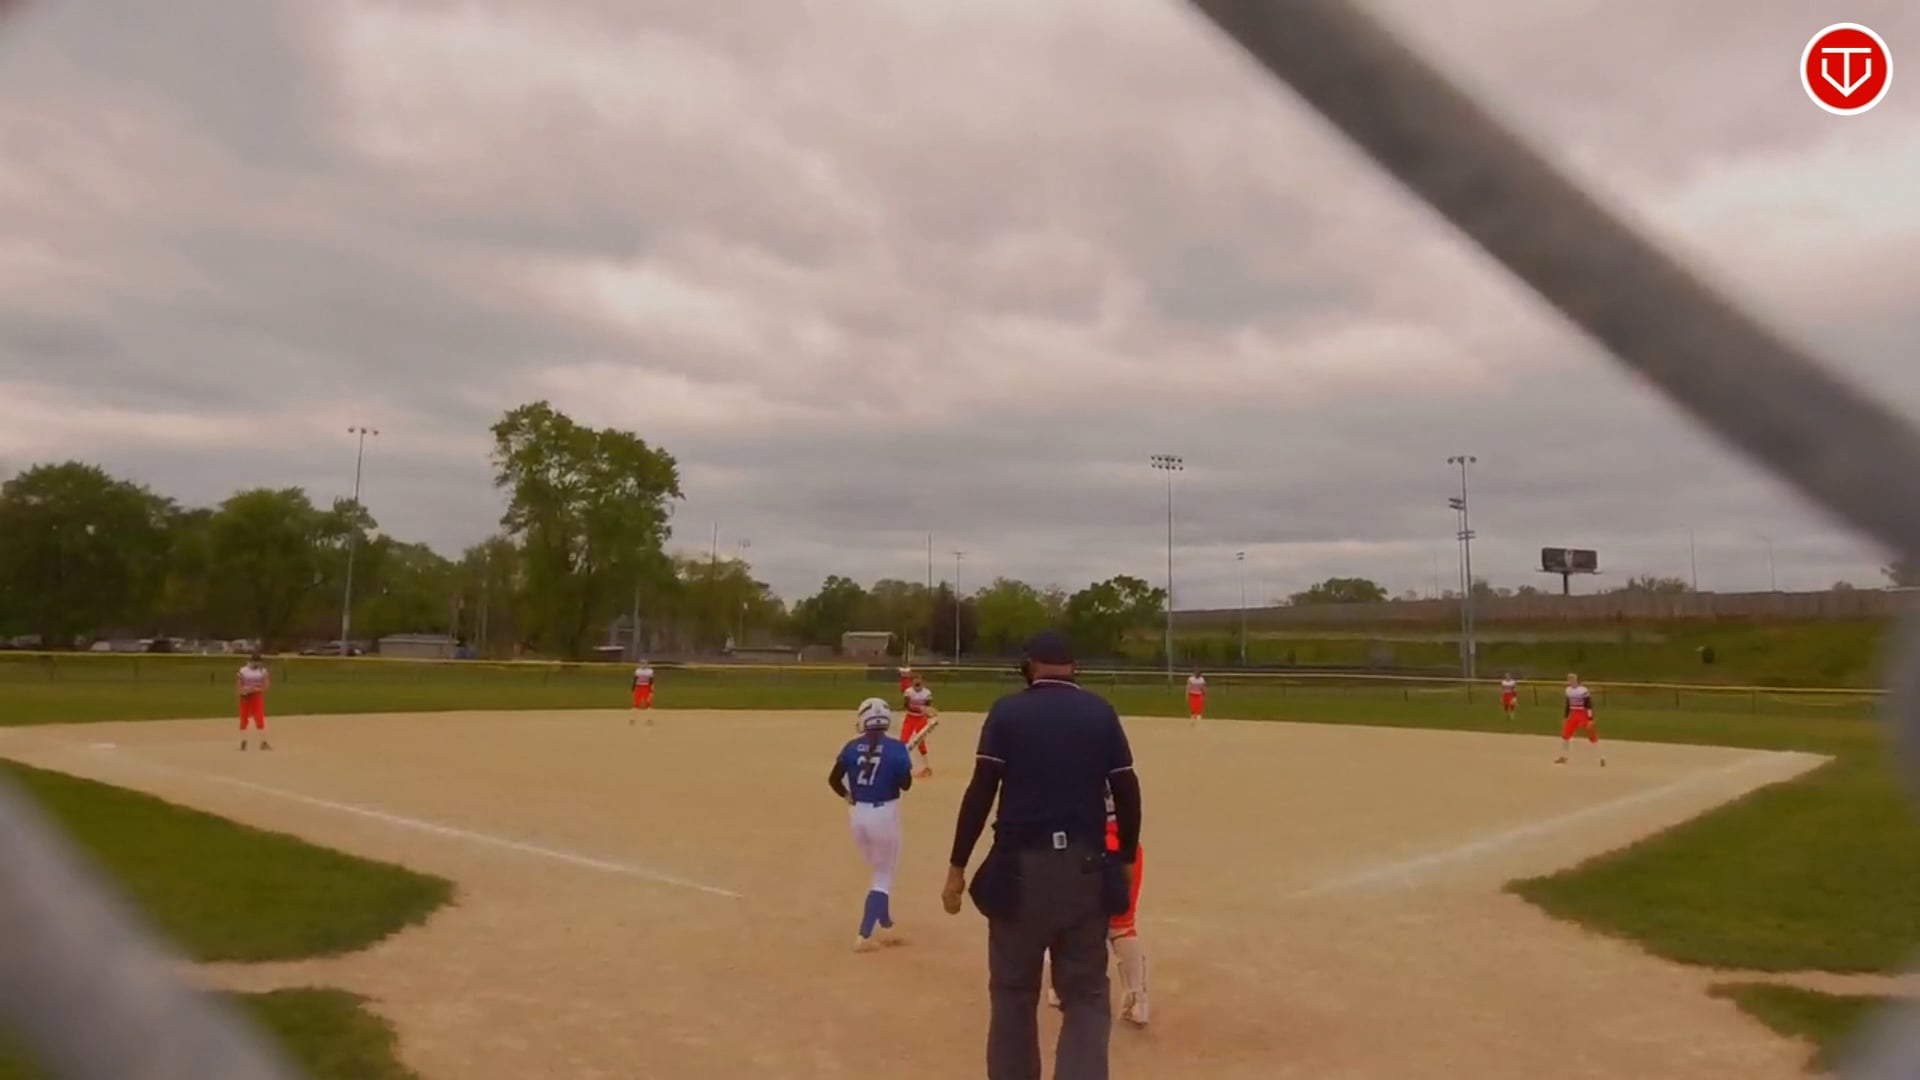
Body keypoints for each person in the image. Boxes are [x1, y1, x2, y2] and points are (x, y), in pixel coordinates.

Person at [943, 630, 1142, 1080]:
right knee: (1086, 996)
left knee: (1013, 994)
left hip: (1020, 874)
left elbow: (981, 792)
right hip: (1086, 870)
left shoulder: (1007, 712)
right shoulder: (1100, 712)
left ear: (1028, 666)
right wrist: (1126, 856)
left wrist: (957, 866)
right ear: (1074, 667)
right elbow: (1127, 790)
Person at [1046, 782, 1149, 1026]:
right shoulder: (1119, 765)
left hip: (1081, 845)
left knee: (1062, 916)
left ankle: (1060, 986)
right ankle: (1137, 1000)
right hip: (1123, 843)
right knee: (1122, 925)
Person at [830, 697, 915, 952]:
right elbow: (905, 785)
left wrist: (847, 795)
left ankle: (885, 922)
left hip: (857, 815)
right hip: (883, 814)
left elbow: (834, 779)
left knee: (879, 867)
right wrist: (901, 766)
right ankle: (864, 935)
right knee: (883, 875)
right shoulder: (897, 748)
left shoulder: (851, 746)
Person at [1556, 672, 1604, 766]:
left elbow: (1588, 705)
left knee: (1592, 735)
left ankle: (1601, 757)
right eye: (1569, 679)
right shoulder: (1568, 690)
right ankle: (1564, 757)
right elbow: (1568, 704)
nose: (1571, 681)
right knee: (1565, 735)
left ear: (1576, 680)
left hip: (1582, 713)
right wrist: (1565, 717)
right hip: (1573, 713)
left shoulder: (1583, 690)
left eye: (1572, 679)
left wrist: (1590, 719)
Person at [901, 675, 936, 778]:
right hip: (910, 718)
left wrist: (926, 712)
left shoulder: (927, 693)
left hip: (920, 719)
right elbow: (906, 706)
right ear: (912, 683)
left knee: (921, 742)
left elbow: (927, 706)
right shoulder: (908, 692)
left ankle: (926, 766)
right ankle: (902, 765)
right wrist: (920, 708)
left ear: (922, 682)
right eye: (915, 682)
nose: (917, 684)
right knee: (903, 741)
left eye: (919, 682)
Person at [236, 652, 271, 751]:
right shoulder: (243, 670)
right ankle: (243, 742)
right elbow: (239, 684)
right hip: (245, 696)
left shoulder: (263, 671)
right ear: (251, 661)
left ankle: (263, 742)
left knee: (259, 717)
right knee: (243, 718)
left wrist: (255, 690)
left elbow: (266, 685)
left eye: (259, 662)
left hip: (256, 695)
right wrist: (242, 691)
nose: (257, 664)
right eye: (256, 662)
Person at [630, 659, 655, 724]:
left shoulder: (650, 671)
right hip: (638, 687)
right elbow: (635, 680)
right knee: (636, 703)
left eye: (644, 663)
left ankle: (649, 720)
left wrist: (651, 690)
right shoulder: (637, 671)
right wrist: (633, 688)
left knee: (648, 703)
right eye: (642, 663)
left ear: (647, 664)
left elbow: (651, 681)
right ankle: (633, 719)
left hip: (646, 687)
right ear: (640, 664)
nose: (643, 665)